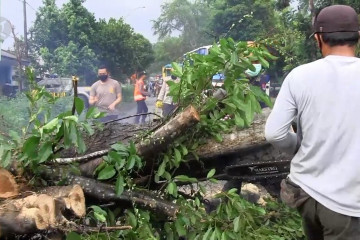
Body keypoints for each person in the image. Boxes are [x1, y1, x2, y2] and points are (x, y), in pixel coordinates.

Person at [265, 5, 360, 239]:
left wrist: (297, 145)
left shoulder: (299, 76)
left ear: (318, 38)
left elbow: (275, 134)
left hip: (306, 195)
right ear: (358, 35)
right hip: (348, 204)